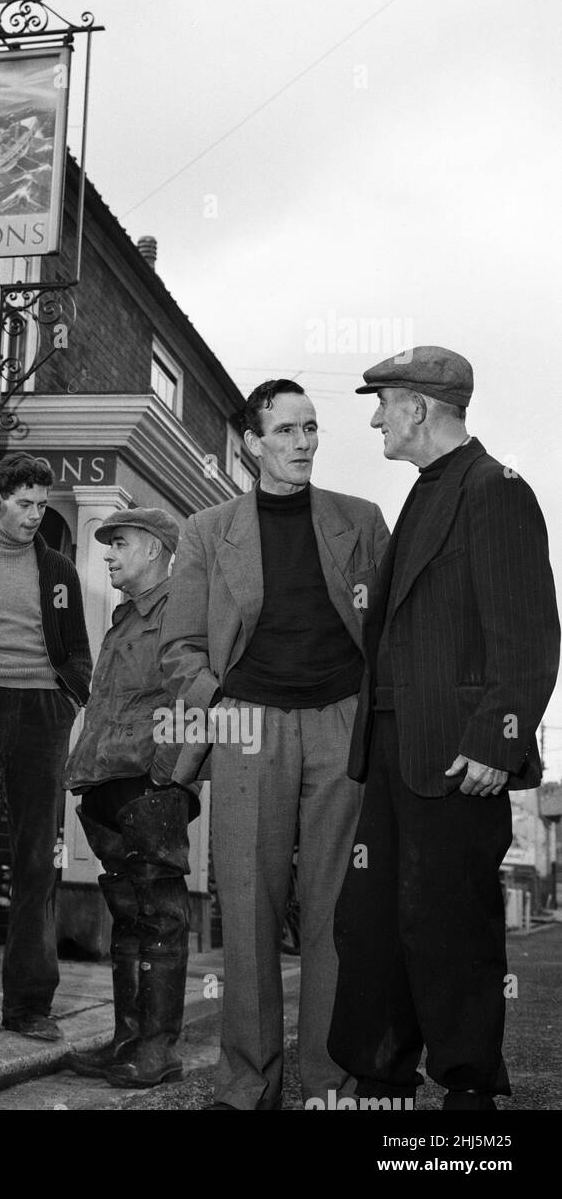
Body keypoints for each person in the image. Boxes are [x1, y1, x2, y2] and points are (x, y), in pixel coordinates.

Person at [329, 347, 559, 1111]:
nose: (375, 418)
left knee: (449, 926)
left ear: (419, 409)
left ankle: (469, 1093)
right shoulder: (428, 493)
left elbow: (527, 632)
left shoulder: (495, 489)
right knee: (371, 921)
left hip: (459, 755)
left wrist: (496, 740)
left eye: (383, 403)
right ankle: (379, 1077)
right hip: (393, 750)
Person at [160, 379, 388, 1110]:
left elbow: (391, 633)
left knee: (337, 914)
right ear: (252, 443)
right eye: (286, 431)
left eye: (311, 429)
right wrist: (218, 705)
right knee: (251, 912)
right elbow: (181, 649)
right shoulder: (206, 530)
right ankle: (246, 1088)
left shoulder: (362, 520)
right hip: (248, 726)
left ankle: (331, 1084)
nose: (302, 444)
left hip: (341, 724)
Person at [64, 508, 198, 1088]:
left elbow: (190, 694)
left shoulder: (180, 611)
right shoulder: (125, 619)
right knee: (128, 918)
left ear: (154, 549)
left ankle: (158, 1047)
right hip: (110, 785)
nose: (109, 555)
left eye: (119, 544)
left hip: (148, 786)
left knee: (160, 917)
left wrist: (165, 775)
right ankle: (128, 1039)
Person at [0, 453, 91, 1042]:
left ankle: (28, 1006)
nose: (36, 515)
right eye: (25, 503)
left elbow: (78, 649)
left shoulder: (60, 568)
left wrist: (68, 701)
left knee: (38, 858)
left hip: (44, 710)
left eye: (43, 504)